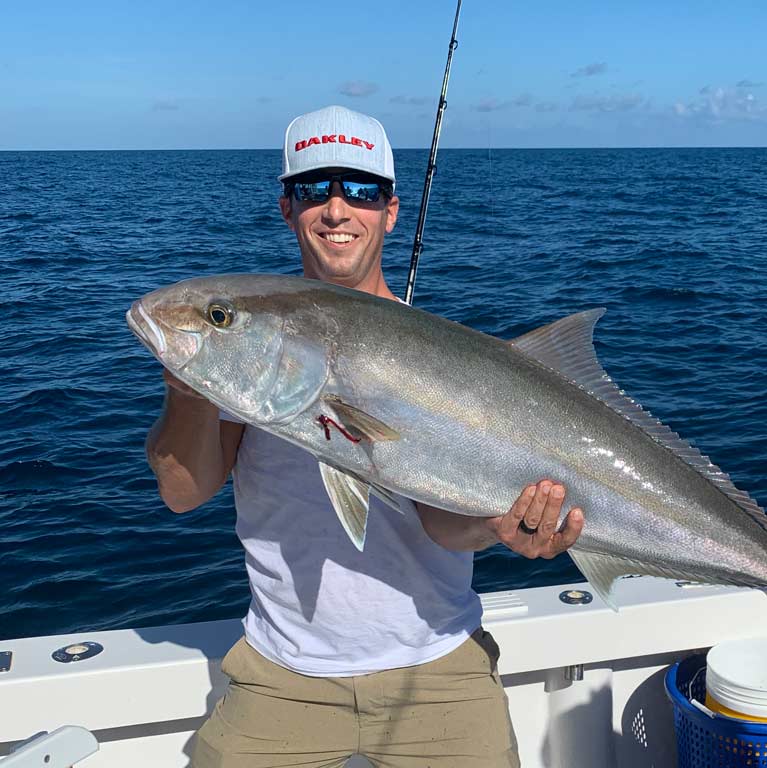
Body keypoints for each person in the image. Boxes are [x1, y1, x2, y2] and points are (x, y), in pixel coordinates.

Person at [145, 104, 585, 768]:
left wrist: (501, 527)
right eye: (312, 189)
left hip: (438, 667)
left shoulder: (441, 366)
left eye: (361, 189)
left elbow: (444, 524)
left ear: (391, 210)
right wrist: (189, 385)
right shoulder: (253, 362)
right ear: (286, 208)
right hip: (280, 676)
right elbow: (182, 493)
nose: (336, 208)